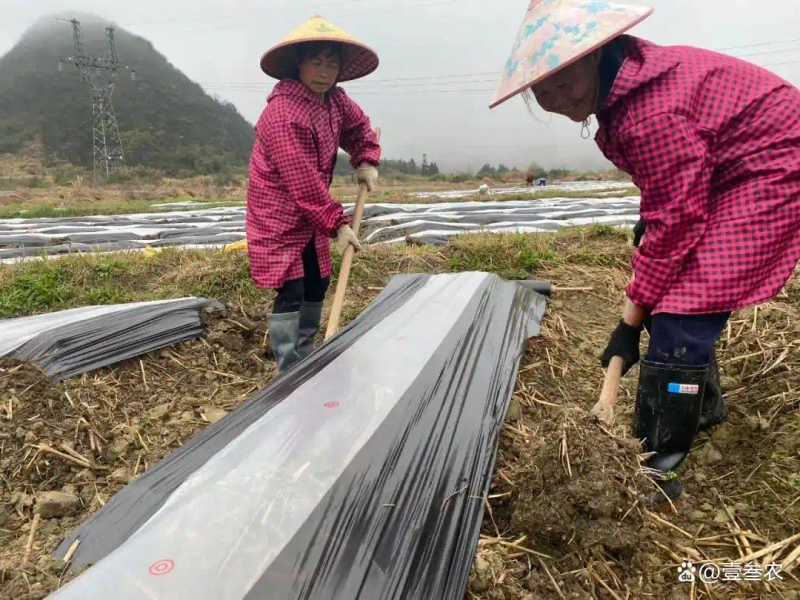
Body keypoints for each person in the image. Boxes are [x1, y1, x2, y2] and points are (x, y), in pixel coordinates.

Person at [490, 1, 800, 505]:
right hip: (731, 165)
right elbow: (670, 185)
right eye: (541, 91)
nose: (556, 98)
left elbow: (677, 220)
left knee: (681, 307)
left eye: (564, 79)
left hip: (773, 165)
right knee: (669, 281)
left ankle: (658, 465)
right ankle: (700, 406)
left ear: (593, 56)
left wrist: (630, 321)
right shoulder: (626, 84)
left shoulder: (647, 108)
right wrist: (649, 239)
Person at [247, 15, 382, 375]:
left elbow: (358, 127)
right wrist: (337, 224)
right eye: (316, 63)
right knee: (292, 287)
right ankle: (288, 367)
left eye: (331, 64)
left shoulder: (334, 100)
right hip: (279, 210)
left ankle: (306, 352)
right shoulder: (283, 114)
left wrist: (366, 158)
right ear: (299, 64)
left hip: (310, 210)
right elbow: (302, 180)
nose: (324, 72)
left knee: (317, 279)